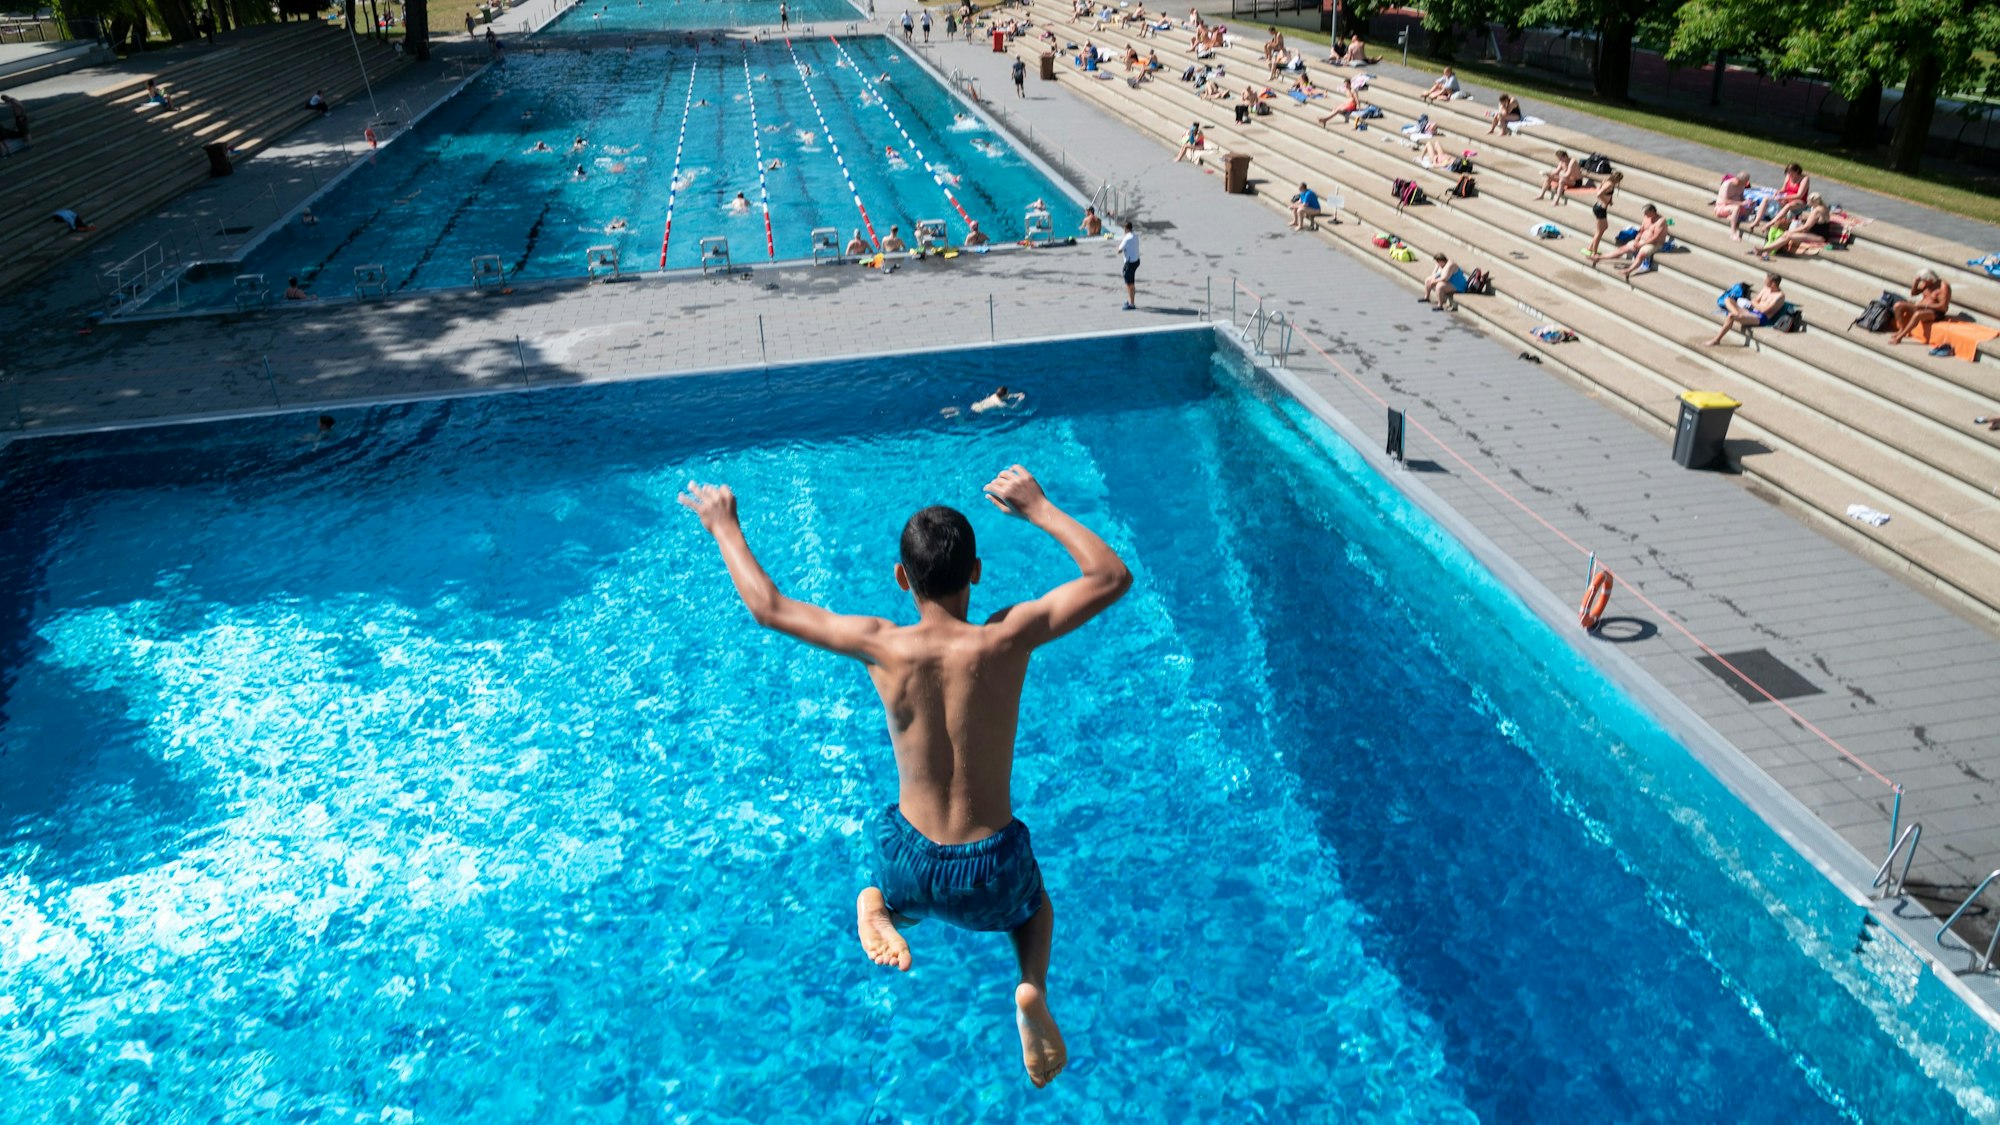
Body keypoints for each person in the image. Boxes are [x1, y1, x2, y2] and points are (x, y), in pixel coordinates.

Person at [678, 467, 1129, 1089]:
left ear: (901, 579)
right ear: (976, 571)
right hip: (991, 868)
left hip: (911, 862)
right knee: (1033, 909)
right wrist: (1039, 508)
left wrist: (724, 526)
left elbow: (768, 607)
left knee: (894, 864)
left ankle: (879, 903)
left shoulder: (882, 644)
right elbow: (1110, 577)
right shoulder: (1007, 637)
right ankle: (1031, 988)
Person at [1706, 273, 1785, 346]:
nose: (1764, 282)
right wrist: (1757, 304)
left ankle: (1716, 340)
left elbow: (1764, 310)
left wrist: (1755, 304)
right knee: (1728, 299)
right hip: (1752, 311)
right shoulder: (1766, 289)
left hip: (1760, 317)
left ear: (1773, 284)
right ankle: (1737, 314)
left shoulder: (1779, 296)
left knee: (1731, 316)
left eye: (1766, 281)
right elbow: (1754, 301)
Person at [1591, 203, 1668, 276]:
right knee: (1622, 249)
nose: (1645, 215)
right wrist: (1637, 240)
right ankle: (1599, 257)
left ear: (1653, 212)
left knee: (1641, 255)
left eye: (1646, 213)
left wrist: (1641, 244)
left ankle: (1628, 271)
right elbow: (1641, 231)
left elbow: (1655, 237)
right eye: (1644, 213)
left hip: (1654, 243)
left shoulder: (1661, 221)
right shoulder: (1646, 218)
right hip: (1641, 241)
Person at [1889, 270, 1952, 345]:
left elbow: (1943, 307)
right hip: (1921, 307)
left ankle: (1900, 338)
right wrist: (1916, 282)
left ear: (1931, 280)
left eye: (1924, 281)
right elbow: (1913, 293)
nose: (1923, 283)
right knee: (1898, 305)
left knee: (1918, 314)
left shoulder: (1943, 287)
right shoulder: (1927, 283)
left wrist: (1924, 306)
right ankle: (1902, 329)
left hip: (1936, 313)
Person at [1582, 170, 1621, 256]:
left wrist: (1609, 201)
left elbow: (1604, 192)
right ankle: (1594, 252)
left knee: (1602, 229)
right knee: (1600, 231)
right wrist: (1605, 202)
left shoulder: (1606, 181)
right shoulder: (1610, 184)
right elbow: (1599, 194)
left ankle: (1591, 247)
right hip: (1600, 208)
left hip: (1599, 208)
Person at [1116, 218, 1139, 309]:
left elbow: (1119, 250)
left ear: (1125, 229)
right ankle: (1130, 300)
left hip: (1130, 263)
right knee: (1131, 283)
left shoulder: (1126, 238)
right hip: (1136, 261)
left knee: (1130, 284)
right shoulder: (1135, 236)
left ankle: (1132, 304)